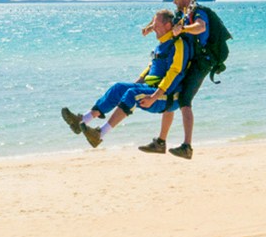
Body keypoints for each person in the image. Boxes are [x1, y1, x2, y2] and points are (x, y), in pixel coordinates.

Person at [60, 8, 189, 148]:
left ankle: (100, 134)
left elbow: (174, 73)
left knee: (131, 94)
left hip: (167, 96)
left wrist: (154, 97)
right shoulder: (161, 45)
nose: (153, 29)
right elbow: (150, 69)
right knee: (119, 88)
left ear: (168, 25)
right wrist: (134, 84)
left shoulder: (177, 44)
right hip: (152, 89)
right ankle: (82, 121)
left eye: (156, 25)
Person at [138, 0, 210, 159]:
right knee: (171, 91)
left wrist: (183, 28)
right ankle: (161, 142)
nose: (174, 0)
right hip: (189, 60)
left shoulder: (198, 12)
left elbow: (201, 27)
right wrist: (150, 27)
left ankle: (187, 146)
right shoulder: (181, 14)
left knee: (185, 100)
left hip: (201, 62)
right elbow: (165, 21)